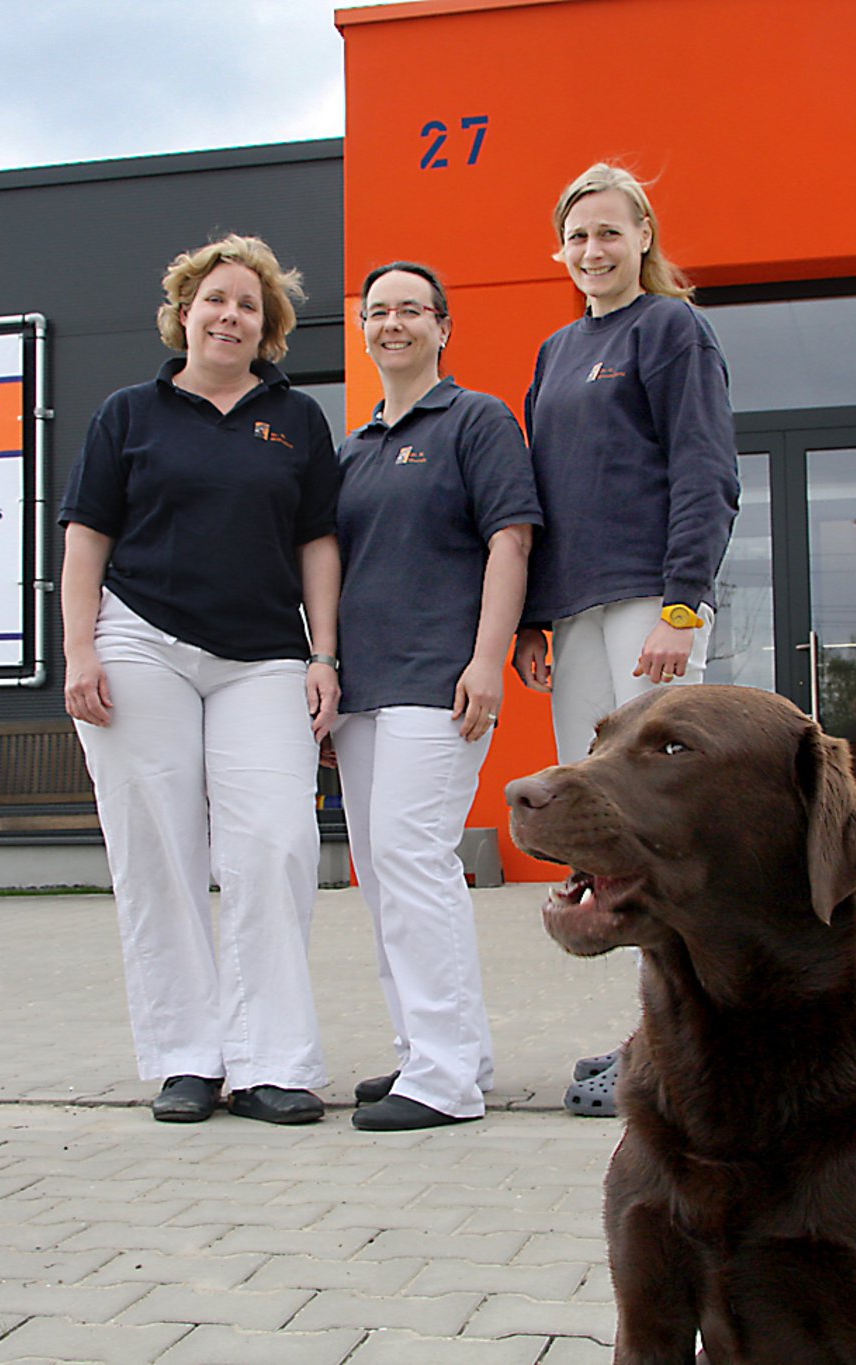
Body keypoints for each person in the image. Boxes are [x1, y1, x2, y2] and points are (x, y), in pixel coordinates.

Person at [59, 234, 341, 1126]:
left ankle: (273, 1061)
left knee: (275, 845)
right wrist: (79, 651)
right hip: (139, 642)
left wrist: (323, 653)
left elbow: (318, 542)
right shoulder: (128, 415)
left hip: (263, 654)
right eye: (215, 299)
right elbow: (85, 538)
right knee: (158, 852)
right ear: (185, 312)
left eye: (249, 306)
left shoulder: (295, 421)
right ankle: (188, 1056)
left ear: (269, 330)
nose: (230, 315)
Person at [512, 163, 740, 1116]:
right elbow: (541, 495)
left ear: (643, 235)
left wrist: (681, 607)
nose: (594, 252)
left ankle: (702, 1044)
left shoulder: (673, 329)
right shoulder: (556, 351)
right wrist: (531, 614)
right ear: (559, 251)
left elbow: (704, 466)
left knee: (671, 824)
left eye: (610, 233)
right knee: (607, 838)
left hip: (654, 602)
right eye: (578, 238)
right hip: (576, 613)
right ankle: (654, 1036)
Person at [332, 261, 541, 1131]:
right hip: (362, 691)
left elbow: (512, 541)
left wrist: (487, 659)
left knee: (415, 860)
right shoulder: (351, 449)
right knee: (383, 873)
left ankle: (448, 1080)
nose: (392, 324)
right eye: (377, 311)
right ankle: (434, 1048)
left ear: (443, 326)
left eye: (410, 309)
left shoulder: (477, 419)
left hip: (439, 679)